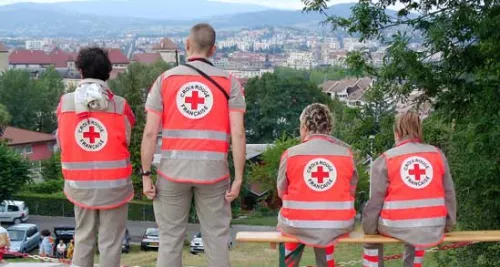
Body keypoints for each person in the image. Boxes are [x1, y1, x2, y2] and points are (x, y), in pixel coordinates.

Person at [141, 23, 246, 267]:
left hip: (171, 173)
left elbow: (149, 133)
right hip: (214, 174)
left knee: (169, 241)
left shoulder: (165, 80)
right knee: (217, 241)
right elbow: (238, 134)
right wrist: (239, 177)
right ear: (214, 50)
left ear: (187, 46)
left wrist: (146, 174)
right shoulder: (230, 83)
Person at [56, 47, 136, 267]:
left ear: (80, 70)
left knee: (83, 238)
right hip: (114, 186)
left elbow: (62, 141)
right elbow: (126, 139)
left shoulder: (65, 104)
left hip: (80, 185)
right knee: (111, 242)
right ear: (108, 73)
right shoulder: (120, 105)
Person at [362, 111, 457, 267]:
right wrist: (448, 224)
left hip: (394, 226)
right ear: (419, 130)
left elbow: (376, 201)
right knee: (418, 233)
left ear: (397, 132)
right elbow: (449, 194)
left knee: (371, 241)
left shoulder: (386, 158)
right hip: (433, 225)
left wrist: (369, 230)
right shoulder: (437, 154)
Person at [277, 103, 358, 267]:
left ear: (305, 127)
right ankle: (326, 262)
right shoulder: (346, 154)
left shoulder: (290, 154)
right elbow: (351, 191)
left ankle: (289, 262)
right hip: (337, 225)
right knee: (326, 229)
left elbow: (281, 191)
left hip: (296, 225)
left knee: (289, 218)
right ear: (329, 128)